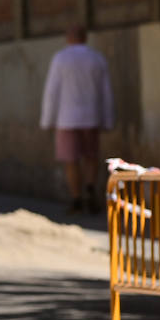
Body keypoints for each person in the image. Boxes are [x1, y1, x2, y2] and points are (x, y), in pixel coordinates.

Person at [39, 25, 114, 214]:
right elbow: (106, 92)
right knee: (91, 156)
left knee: (70, 160)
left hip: (66, 118)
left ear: (68, 38)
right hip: (91, 116)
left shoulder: (60, 58)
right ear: (85, 37)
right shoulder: (96, 58)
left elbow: (51, 91)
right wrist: (108, 119)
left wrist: (47, 119)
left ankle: (76, 198)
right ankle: (89, 189)